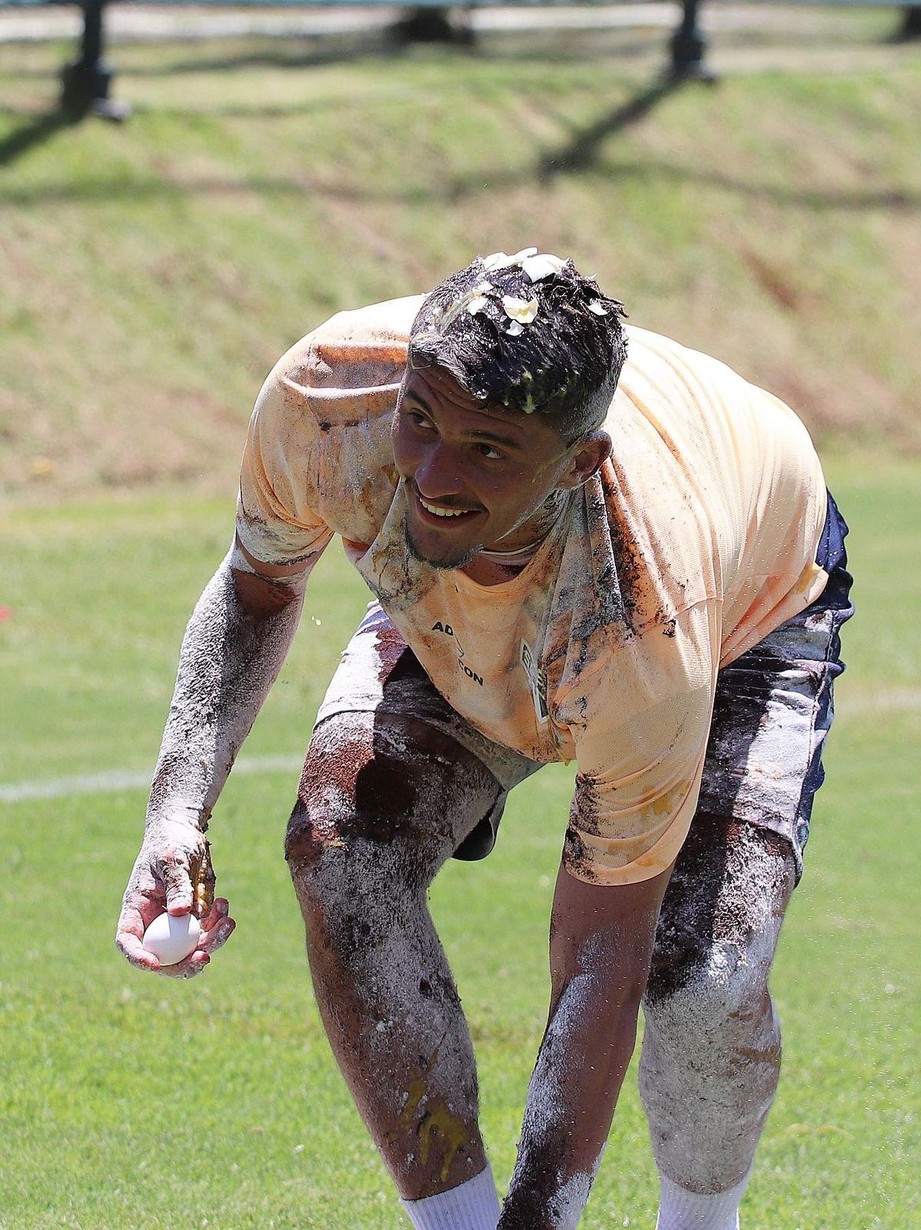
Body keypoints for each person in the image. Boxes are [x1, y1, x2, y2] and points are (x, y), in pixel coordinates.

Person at [117, 247, 853, 1230]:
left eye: (486, 449)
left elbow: (600, 948)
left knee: (701, 983)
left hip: (748, 607)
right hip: (467, 584)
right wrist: (176, 809)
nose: (428, 472)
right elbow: (257, 587)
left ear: (578, 461)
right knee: (339, 847)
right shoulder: (334, 396)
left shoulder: (648, 618)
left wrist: (540, 1216)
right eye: (420, 420)